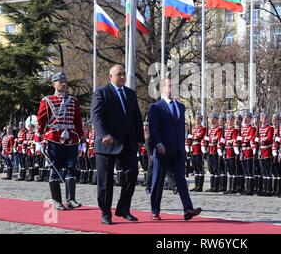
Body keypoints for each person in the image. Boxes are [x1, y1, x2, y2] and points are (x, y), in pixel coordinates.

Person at [91, 64, 144, 225]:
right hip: (107, 143)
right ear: (110, 77)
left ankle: (123, 208)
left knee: (132, 173)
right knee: (105, 181)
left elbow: (137, 117)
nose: (122, 77)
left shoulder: (130, 94)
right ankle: (105, 212)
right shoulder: (102, 93)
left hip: (127, 143)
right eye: (118, 74)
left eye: (124, 74)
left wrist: (140, 139)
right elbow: (96, 115)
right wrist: (103, 135)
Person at [148, 78, 202, 221]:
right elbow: (153, 128)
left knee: (181, 180)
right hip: (162, 150)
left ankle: (188, 209)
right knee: (158, 181)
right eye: (170, 86)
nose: (174, 88)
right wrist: (158, 143)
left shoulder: (181, 106)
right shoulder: (156, 107)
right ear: (163, 88)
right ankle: (155, 210)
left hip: (178, 150)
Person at [37, 71, 85, 211]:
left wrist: (81, 137)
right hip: (54, 138)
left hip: (71, 137)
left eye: (65, 82)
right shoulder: (47, 100)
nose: (63, 84)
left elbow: (77, 121)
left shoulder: (73, 101)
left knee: (71, 167)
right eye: (60, 82)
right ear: (54, 84)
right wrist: (38, 138)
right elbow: (41, 121)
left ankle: (71, 199)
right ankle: (57, 201)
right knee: (55, 167)